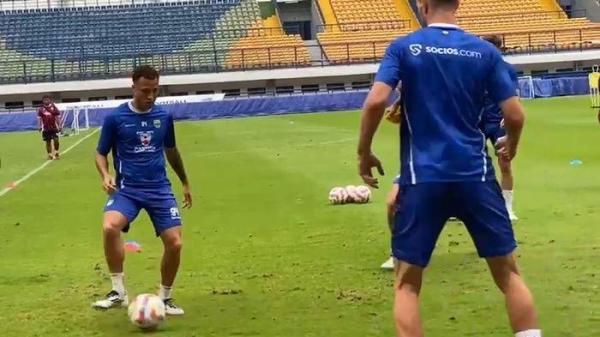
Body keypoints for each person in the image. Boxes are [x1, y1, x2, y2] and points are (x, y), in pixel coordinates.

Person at [357, 1, 541, 336]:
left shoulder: (404, 47)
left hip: (422, 176)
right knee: (509, 275)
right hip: (475, 174)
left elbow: (374, 102)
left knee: (407, 284)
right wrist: (511, 145)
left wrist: (363, 152)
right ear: (457, 4)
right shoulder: (484, 51)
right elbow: (514, 115)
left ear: (423, 6)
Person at [92, 65, 192, 316]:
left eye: (155, 90)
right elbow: (100, 153)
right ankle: (118, 292)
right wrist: (105, 175)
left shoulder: (164, 116)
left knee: (175, 243)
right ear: (133, 87)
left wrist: (185, 182)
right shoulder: (115, 118)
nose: (151, 95)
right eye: (145, 90)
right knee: (109, 227)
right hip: (128, 189)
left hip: (159, 188)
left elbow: (171, 150)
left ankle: (165, 298)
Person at [481, 34, 519, 221]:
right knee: (471, 165)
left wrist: (509, 115)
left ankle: (507, 207)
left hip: (498, 121)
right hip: (476, 121)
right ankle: (467, 206)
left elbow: (514, 95)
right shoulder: (473, 69)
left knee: (504, 162)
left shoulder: (507, 70)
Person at [37, 95, 61, 160]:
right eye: (45, 100)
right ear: (43, 101)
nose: (46, 101)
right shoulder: (41, 109)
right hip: (45, 128)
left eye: (47, 99)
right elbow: (39, 118)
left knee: (56, 140)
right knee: (48, 142)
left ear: (50, 100)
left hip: (54, 127)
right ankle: (50, 155)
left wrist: (59, 125)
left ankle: (56, 152)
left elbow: (57, 117)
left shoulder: (54, 107)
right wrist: (39, 126)